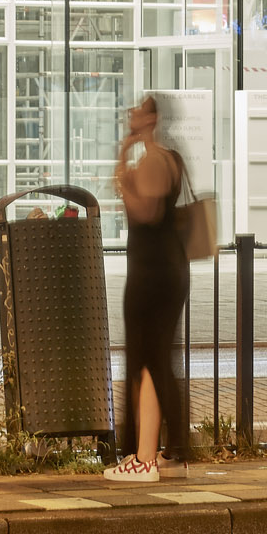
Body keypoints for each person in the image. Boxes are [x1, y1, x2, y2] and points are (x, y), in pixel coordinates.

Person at [107, 92, 198, 479]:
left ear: (151, 120)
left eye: (139, 110)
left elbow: (144, 211)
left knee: (146, 361)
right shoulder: (168, 158)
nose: (131, 113)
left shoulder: (154, 160)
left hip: (152, 273)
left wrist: (122, 176)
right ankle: (172, 453)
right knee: (158, 361)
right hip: (166, 270)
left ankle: (144, 456)